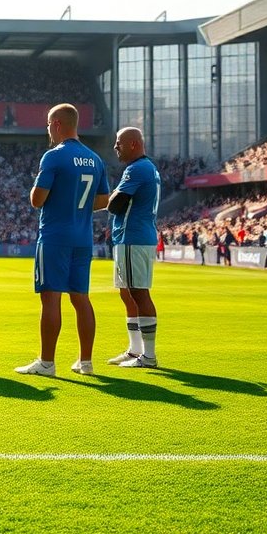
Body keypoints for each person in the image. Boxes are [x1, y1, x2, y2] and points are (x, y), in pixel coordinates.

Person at [16, 103, 109, 377]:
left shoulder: (53, 157)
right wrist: (76, 206)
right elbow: (103, 200)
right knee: (81, 298)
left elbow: (37, 200)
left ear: (57, 124)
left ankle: (46, 362)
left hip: (55, 237)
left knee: (51, 298)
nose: (47, 130)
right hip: (83, 237)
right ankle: (86, 361)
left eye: (48, 125)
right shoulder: (95, 159)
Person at [106, 127, 162, 370]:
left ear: (133, 144)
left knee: (139, 292)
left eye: (119, 142)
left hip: (134, 237)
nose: (115, 147)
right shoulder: (146, 168)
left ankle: (148, 356)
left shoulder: (137, 168)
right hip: (130, 237)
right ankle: (135, 349)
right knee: (127, 293)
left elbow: (115, 205)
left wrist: (112, 197)